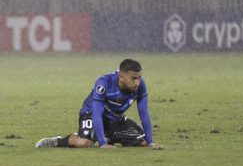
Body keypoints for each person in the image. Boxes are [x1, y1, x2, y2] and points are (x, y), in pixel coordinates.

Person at [35, 59, 164, 149]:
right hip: (91, 114)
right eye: (133, 79)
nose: (137, 82)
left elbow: (144, 113)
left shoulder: (140, 86)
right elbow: (97, 113)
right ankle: (58, 141)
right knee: (85, 143)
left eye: (139, 78)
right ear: (121, 77)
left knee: (142, 142)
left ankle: (108, 136)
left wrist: (150, 142)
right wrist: (102, 144)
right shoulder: (104, 83)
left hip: (115, 119)